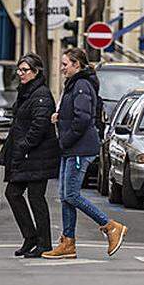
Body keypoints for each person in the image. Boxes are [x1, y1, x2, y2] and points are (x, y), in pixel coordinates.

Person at [43, 47, 128, 259]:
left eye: (65, 64)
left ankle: (110, 226)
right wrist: (60, 117)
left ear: (76, 65)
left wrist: (65, 139)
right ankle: (68, 242)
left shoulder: (81, 85)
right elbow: (75, 114)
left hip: (78, 148)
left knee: (71, 194)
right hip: (72, 148)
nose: (61, 68)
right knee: (65, 196)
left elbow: (82, 118)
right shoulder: (75, 84)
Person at [0, 53, 60, 258]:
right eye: (19, 69)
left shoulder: (41, 94)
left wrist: (23, 146)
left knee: (35, 198)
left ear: (36, 72)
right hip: (26, 155)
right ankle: (30, 237)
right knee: (13, 194)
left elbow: (39, 126)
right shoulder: (27, 91)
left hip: (36, 155)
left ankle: (44, 243)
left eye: (25, 70)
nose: (20, 73)